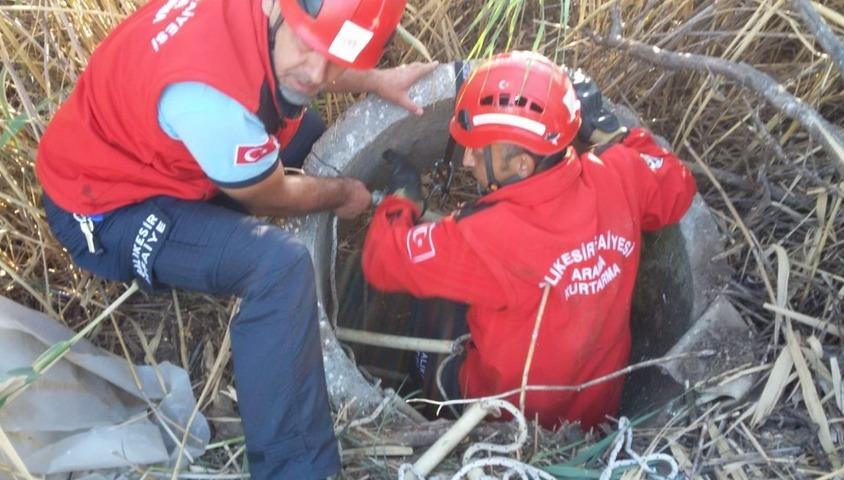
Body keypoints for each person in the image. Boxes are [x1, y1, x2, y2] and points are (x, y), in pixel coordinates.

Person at [35, 0, 437, 476]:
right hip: (106, 209)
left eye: (336, 59)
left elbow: (313, 57)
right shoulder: (210, 98)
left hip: (156, 148)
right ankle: (296, 466)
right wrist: (342, 193)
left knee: (309, 134)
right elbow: (268, 196)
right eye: (309, 47)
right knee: (279, 268)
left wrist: (375, 80)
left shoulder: (258, 17)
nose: (316, 73)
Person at [361, 51, 697, 429]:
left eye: (480, 149)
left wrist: (401, 202)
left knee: (434, 302)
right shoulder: (618, 173)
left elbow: (384, 259)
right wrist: (609, 132)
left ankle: (426, 398)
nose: (468, 160)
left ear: (523, 164)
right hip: (595, 408)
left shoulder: (487, 236)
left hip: (505, 417)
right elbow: (678, 187)